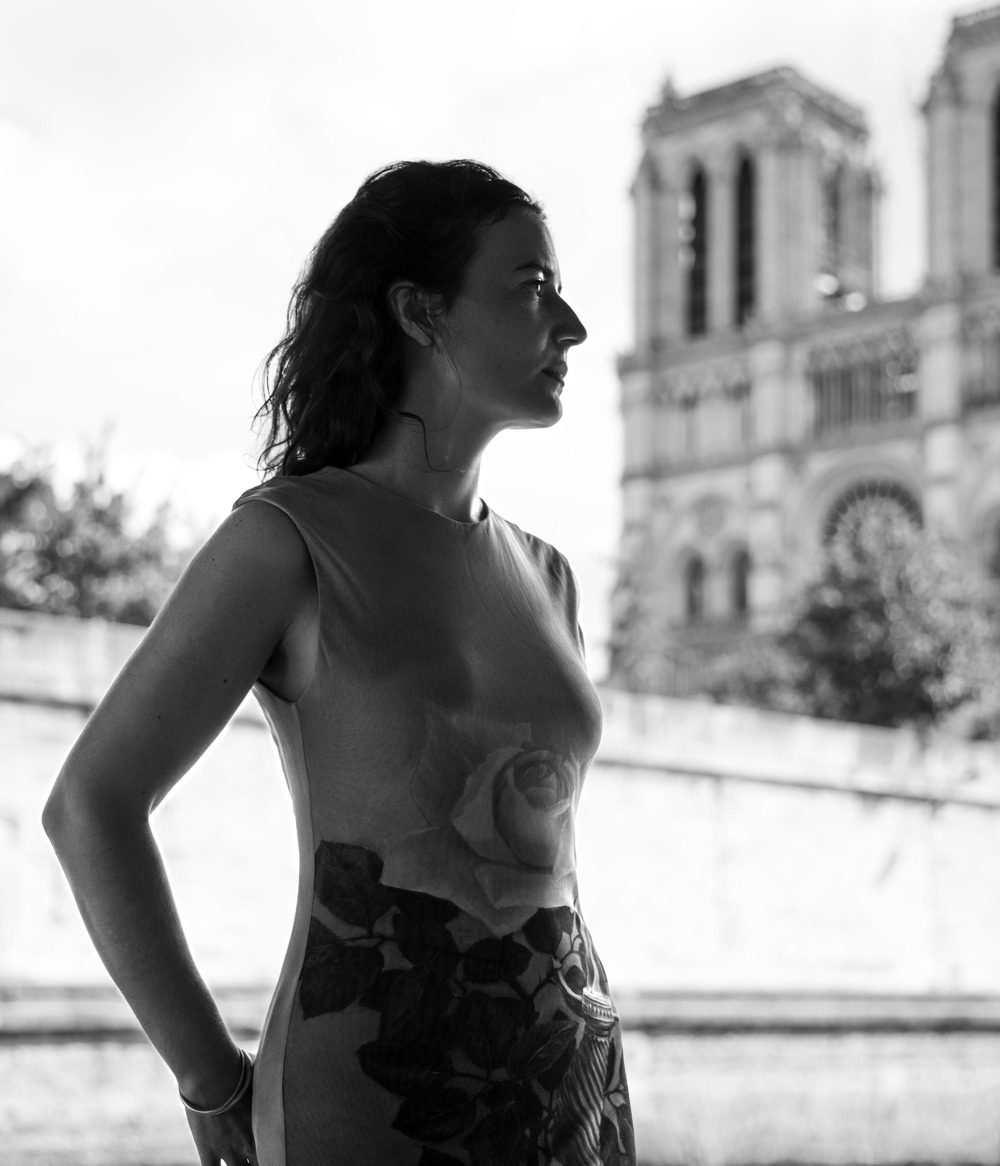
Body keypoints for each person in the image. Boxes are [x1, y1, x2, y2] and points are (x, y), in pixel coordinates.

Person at [42, 159, 636, 1166]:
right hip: (368, 1102)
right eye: (533, 288)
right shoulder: (286, 539)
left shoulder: (552, 575)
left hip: (574, 1089)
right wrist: (206, 1073)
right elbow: (90, 805)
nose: (572, 325)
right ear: (420, 310)